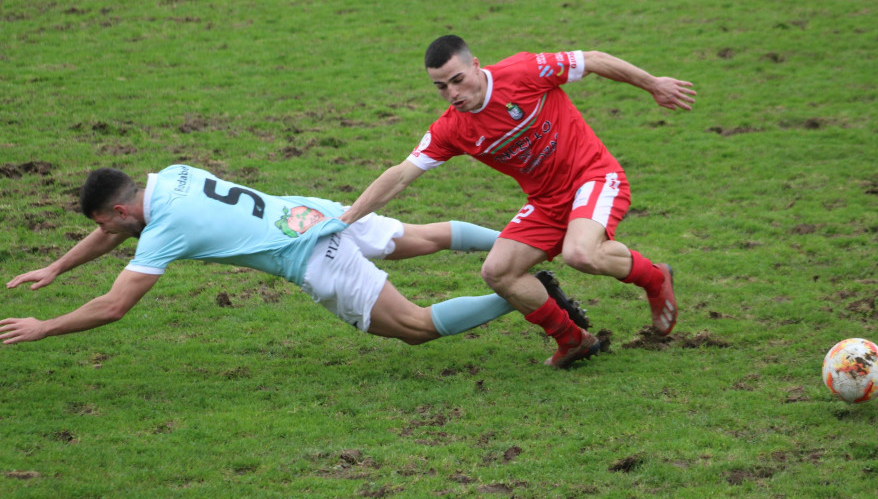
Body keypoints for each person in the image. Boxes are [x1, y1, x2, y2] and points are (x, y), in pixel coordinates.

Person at [339, 35, 696, 369]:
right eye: (441, 86)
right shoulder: (451, 129)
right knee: (497, 272)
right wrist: (347, 219)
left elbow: (594, 59)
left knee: (580, 253)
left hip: (594, 176)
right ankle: (573, 340)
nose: (452, 93)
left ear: (476, 65)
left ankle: (654, 279)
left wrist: (653, 83)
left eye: (458, 80)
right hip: (546, 202)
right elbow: (401, 174)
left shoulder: (524, 71)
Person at [2, 164, 529, 349]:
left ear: (120, 208)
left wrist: (44, 327)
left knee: (414, 327)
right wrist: (55, 267)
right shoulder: (173, 177)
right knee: (424, 237)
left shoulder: (163, 231)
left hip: (311, 255)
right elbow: (116, 234)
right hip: (312, 212)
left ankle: (526, 293)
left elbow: (113, 307)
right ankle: (530, 239)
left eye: (104, 223)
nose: (107, 234)